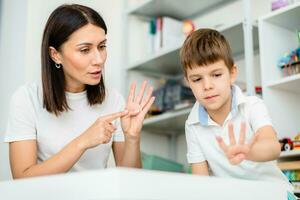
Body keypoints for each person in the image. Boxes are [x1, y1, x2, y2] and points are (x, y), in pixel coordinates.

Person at [4, 4, 155, 179]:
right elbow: (22, 179)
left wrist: (132, 138)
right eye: (85, 50)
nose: (99, 60)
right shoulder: (26, 99)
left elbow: (130, 181)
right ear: (55, 55)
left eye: (102, 46)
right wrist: (82, 142)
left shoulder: (113, 100)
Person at [179, 28, 294, 194]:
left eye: (216, 75)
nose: (207, 86)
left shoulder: (252, 106)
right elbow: (200, 183)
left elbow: (273, 147)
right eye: (197, 79)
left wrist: (249, 152)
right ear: (189, 82)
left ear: (232, 73)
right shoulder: (192, 125)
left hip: (275, 195)